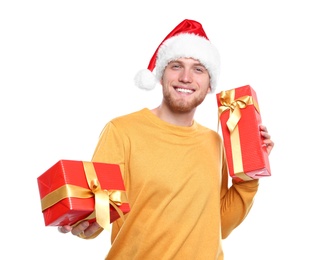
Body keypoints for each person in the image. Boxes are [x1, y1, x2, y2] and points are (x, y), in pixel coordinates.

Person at [58, 19, 274, 259]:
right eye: (176, 66)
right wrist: (80, 224)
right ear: (161, 75)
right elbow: (96, 215)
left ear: (209, 83)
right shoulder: (121, 131)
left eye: (198, 69)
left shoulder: (215, 142)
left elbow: (220, 224)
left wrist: (250, 175)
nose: (186, 77)